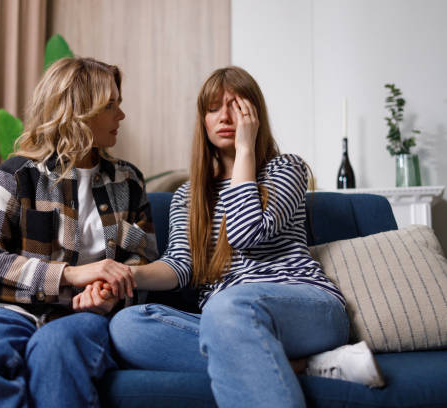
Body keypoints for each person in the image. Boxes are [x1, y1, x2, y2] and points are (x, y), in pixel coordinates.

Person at [108, 66, 384, 408]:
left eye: (236, 106)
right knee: (128, 326)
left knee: (229, 305)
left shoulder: (286, 170)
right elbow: (182, 266)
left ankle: (262, 352)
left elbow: (245, 233)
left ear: (254, 115)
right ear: (203, 121)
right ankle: (301, 367)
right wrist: (125, 274)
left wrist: (245, 150)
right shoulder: (188, 196)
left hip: (305, 308)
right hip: (227, 320)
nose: (224, 116)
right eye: (213, 108)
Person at [0, 57, 158, 408]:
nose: (121, 116)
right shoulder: (16, 175)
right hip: (11, 311)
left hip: (83, 320)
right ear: (77, 110)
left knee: (56, 351)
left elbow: (144, 260)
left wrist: (110, 293)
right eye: (110, 105)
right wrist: (70, 274)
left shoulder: (129, 181)